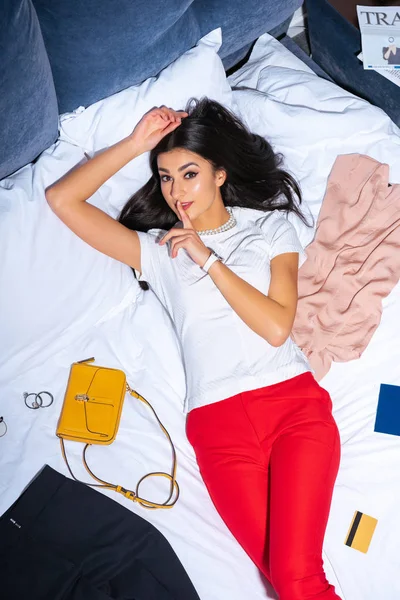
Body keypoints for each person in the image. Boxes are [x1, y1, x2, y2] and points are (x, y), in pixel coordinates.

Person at [46, 98, 341, 600]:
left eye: (188, 173)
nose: (176, 191)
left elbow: (275, 327)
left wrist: (208, 260)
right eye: (165, 177)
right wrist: (135, 144)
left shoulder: (270, 230)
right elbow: (62, 201)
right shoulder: (158, 250)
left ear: (220, 174)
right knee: (289, 581)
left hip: (291, 407)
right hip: (217, 428)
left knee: (294, 580)